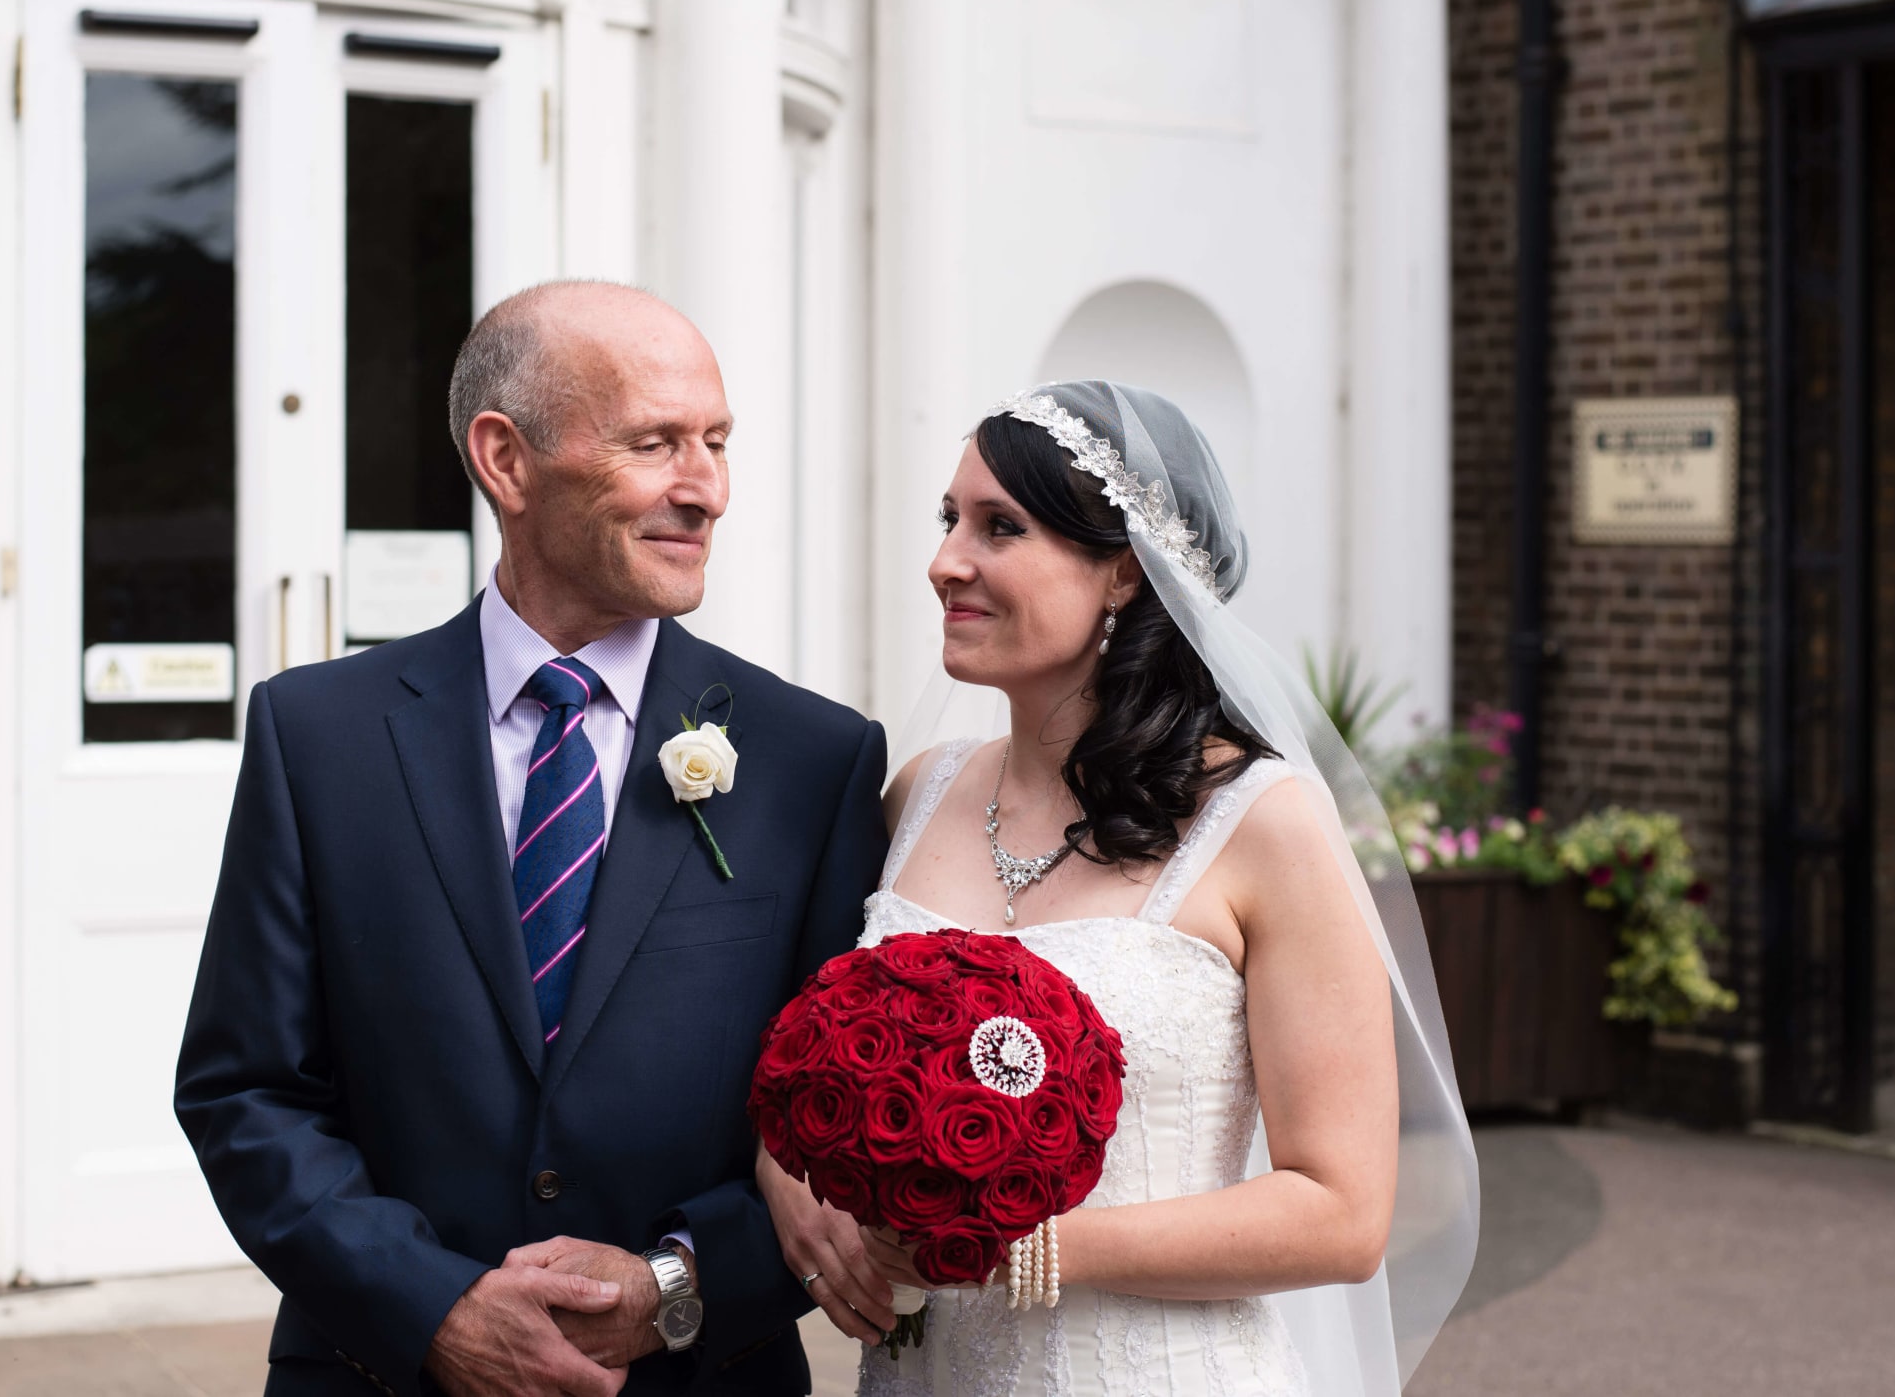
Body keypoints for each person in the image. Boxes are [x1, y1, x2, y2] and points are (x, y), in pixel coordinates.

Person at [177, 281, 890, 1397]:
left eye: (715, 441)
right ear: (505, 460)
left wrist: (672, 1284)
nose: (703, 487)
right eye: (655, 441)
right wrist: (436, 1307)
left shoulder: (815, 758)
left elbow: (840, 1128)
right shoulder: (317, 735)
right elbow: (246, 1089)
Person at [760, 381, 1477, 1396]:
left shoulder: (1260, 822)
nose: (944, 560)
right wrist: (795, 1176)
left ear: (1124, 576)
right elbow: (800, 1053)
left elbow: (1342, 1210)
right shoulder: (917, 797)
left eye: (999, 526)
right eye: (948, 519)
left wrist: (1025, 1245)